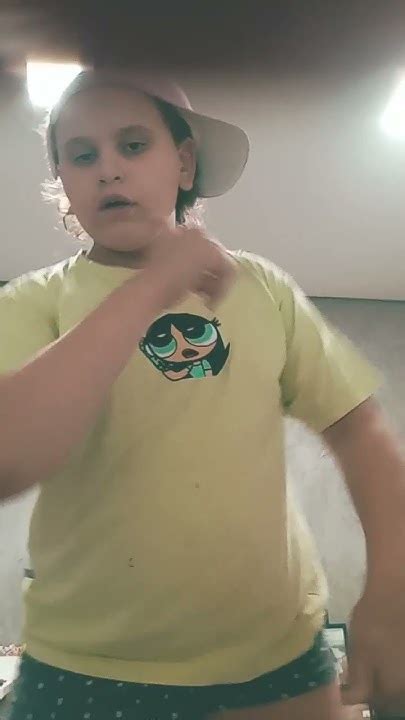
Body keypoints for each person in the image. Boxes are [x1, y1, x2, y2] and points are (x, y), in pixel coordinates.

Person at [1, 68, 404, 720]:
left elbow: (360, 430)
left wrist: (392, 584)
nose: (108, 169)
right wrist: (153, 286)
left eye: (133, 145)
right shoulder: (31, 302)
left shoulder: (263, 289)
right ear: (64, 184)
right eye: (82, 155)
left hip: (277, 661)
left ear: (184, 163)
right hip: (83, 668)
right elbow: (9, 456)